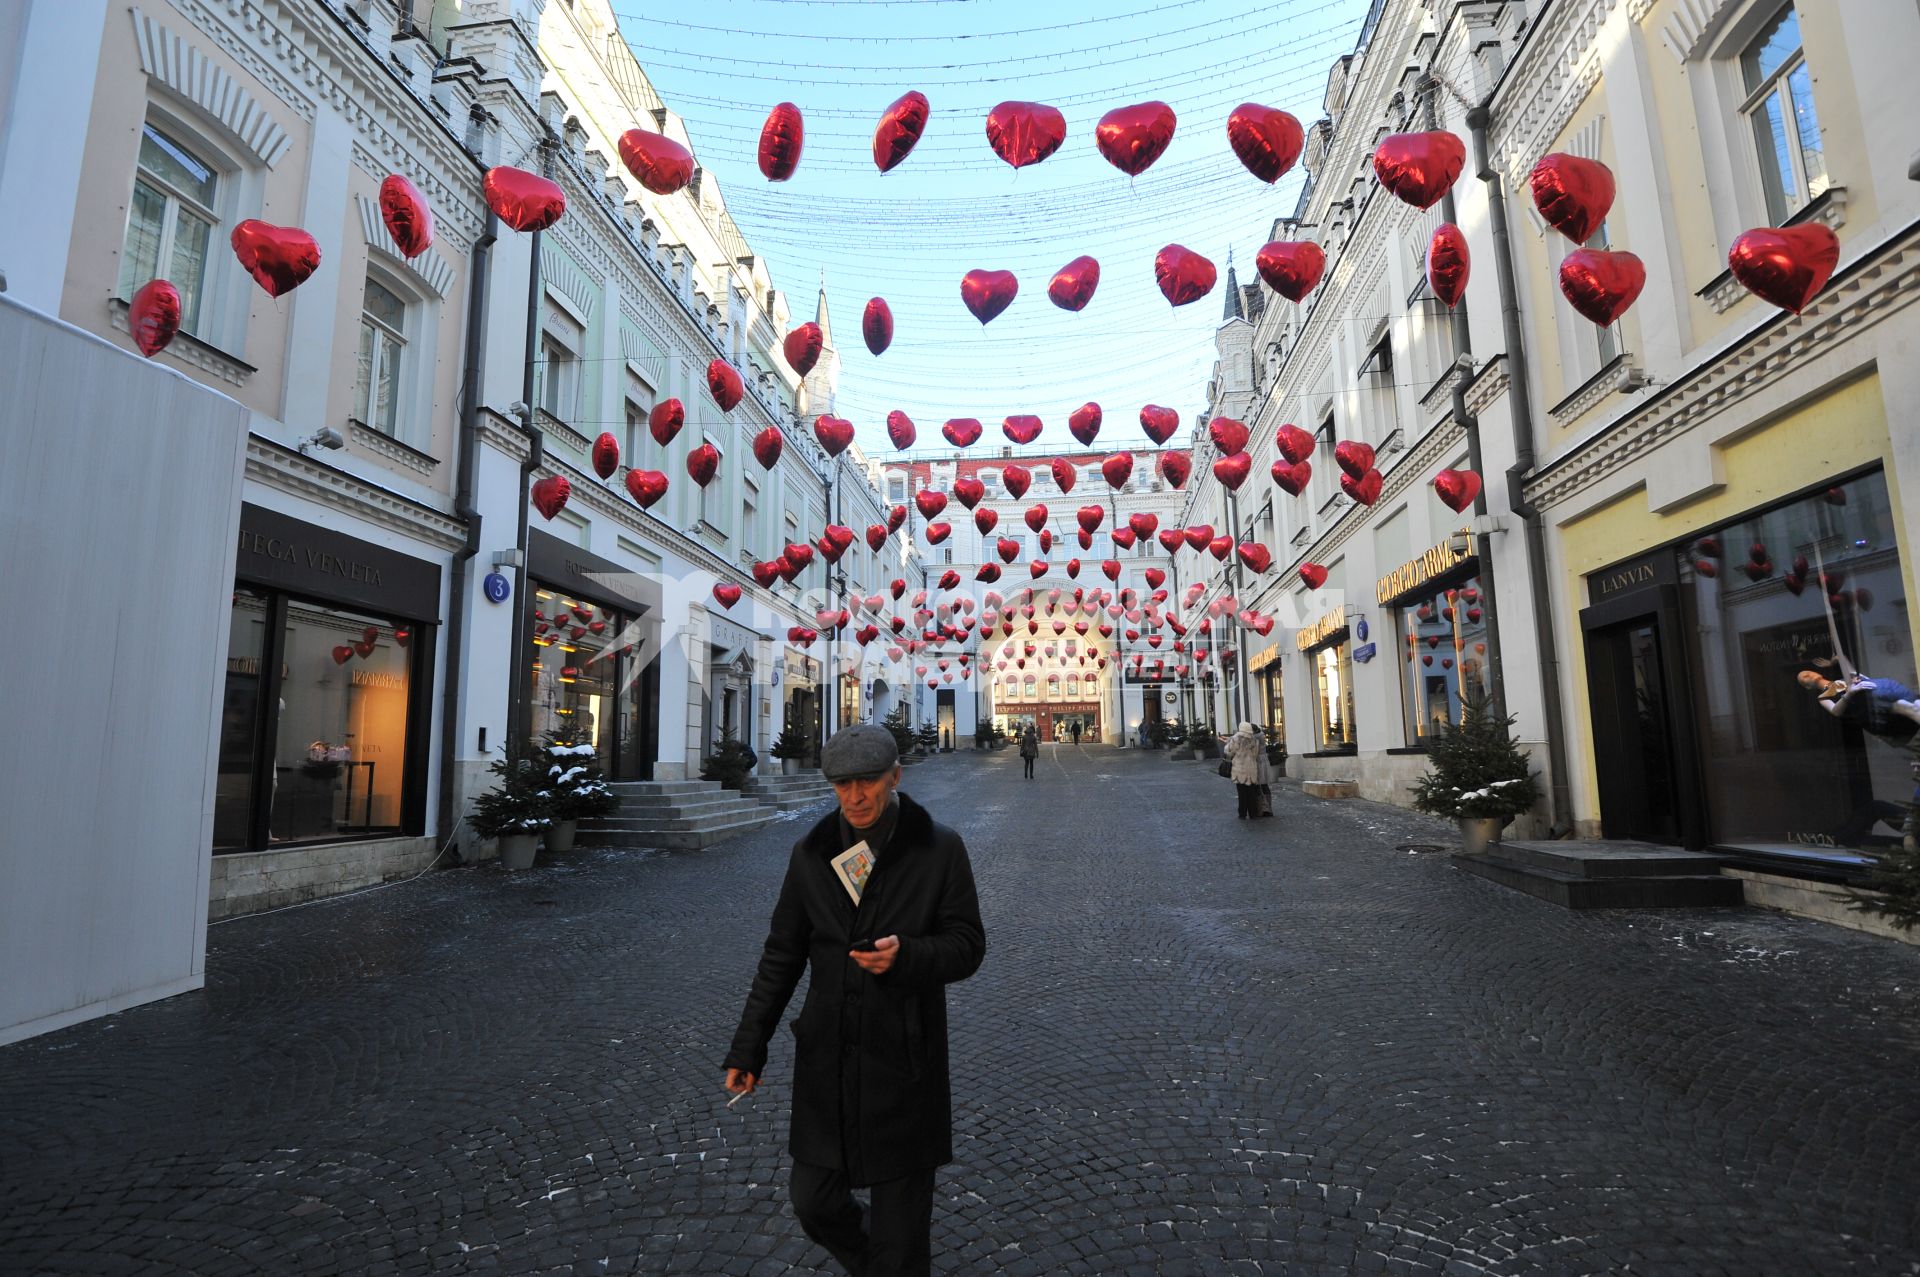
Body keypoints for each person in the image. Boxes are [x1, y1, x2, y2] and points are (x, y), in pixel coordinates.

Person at [724, 724, 986, 1277]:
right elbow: (782, 954)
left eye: (867, 781)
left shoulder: (939, 849)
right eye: (842, 785)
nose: (855, 797)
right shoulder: (811, 854)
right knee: (813, 1202)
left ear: (895, 776)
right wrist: (749, 1048)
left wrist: (908, 956)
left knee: (902, 1237)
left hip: (903, 1065)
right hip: (829, 1061)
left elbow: (967, 946)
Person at [1225, 721, 1273, 819]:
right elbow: (1255, 754)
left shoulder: (1236, 738)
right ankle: (1253, 813)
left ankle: (1242, 814)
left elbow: (1229, 751)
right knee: (1251, 792)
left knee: (1241, 793)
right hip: (1251, 768)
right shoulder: (1254, 740)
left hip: (1239, 769)